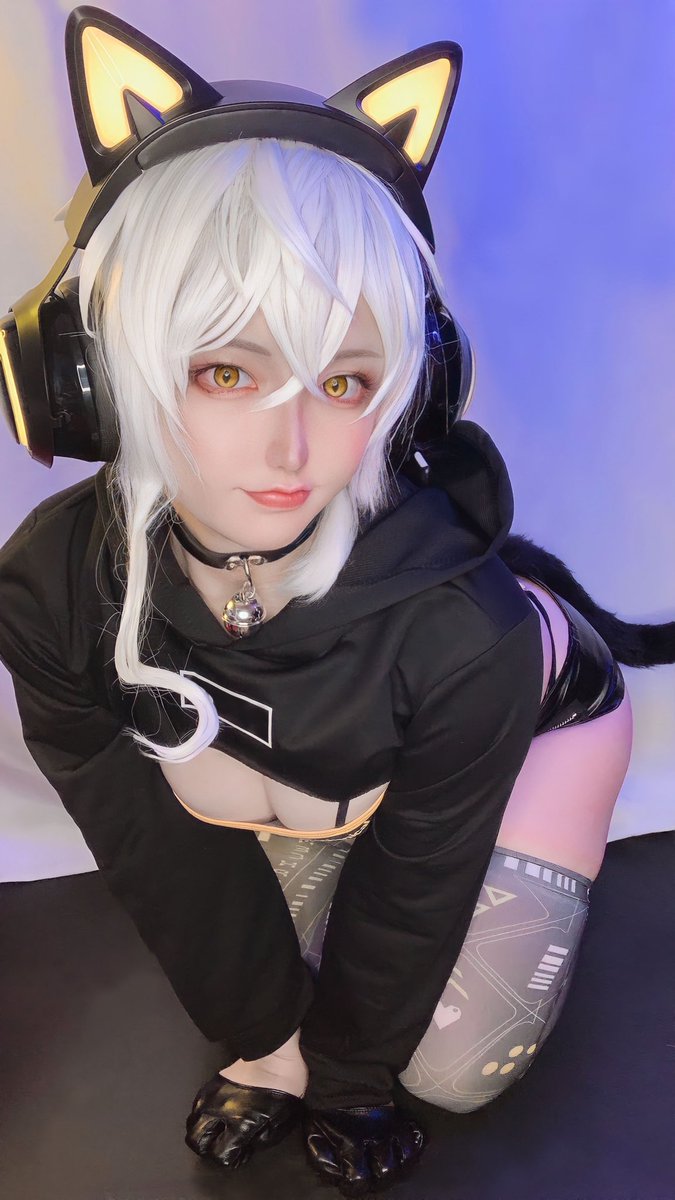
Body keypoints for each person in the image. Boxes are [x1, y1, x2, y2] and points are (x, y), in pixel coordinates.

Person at [0, 7, 669, 1196]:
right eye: (225, 369)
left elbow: (417, 879)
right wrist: (266, 1041)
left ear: (411, 391)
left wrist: (349, 1074)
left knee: (447, 1070)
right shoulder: (51, 588)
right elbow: (144, 837)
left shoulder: (463, 639)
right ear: (87, 377)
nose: (295, 445)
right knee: (278, 937)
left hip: (536, 717)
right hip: (340, 756)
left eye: (349, 380)